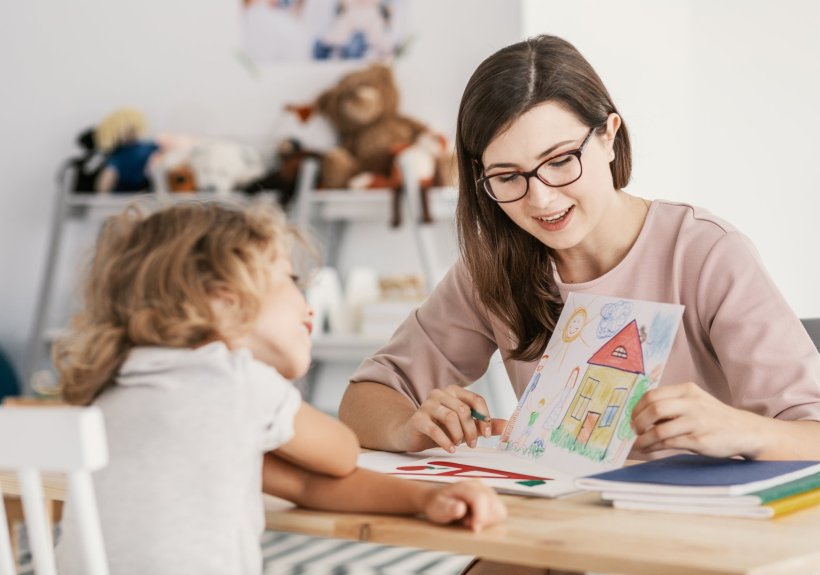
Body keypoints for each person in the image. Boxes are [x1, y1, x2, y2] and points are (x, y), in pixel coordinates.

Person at [339, 34, 820, 463]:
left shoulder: (705, 253)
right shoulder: (493, 267)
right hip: (566, 517)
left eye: (561, 160)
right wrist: (407, 426)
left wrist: (739, 429)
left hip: (698, 523)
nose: (541, 199)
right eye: (508, 176)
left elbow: (811, 432)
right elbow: (366, 397)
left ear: (609, 136)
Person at [53, 199, 506, 575]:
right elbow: (340, 454)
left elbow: (303, 484)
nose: (306, 302)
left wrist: (427, 498)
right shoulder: (235, 381)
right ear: (224, 300)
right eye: (290, 280)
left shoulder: (116, 386)